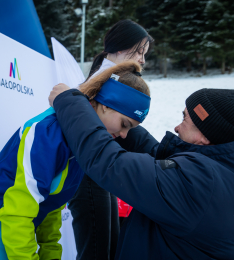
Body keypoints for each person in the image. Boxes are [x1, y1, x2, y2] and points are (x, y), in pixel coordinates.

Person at [0, 60, 150, 260]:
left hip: (18, 235)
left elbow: (52, 206)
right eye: (125, 124)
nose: (125, 135)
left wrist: (50, 254)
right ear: (105, 105)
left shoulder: (82, 141)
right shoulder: (48, 133)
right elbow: (16, 213)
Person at [49, 86, 234, 259]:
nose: (177, 127)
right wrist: (123, 123)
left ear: (204, 135)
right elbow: (158, 159)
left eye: (185, 118)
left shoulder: (201, 182)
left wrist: (69, 103)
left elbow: (111, 163)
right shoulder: (219, 173)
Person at [69, 19, 153, 260]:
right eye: (138, 51)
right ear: (117, 47)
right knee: (96, 248)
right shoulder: (102, 83)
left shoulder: (113, 79)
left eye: (144, 53)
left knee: (109, 244)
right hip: (86, 171)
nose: (142, 59)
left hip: (100, 168)